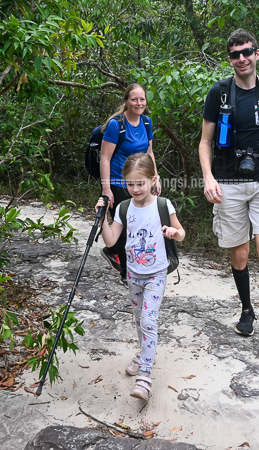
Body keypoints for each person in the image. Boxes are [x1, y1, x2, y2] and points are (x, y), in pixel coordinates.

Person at [198, 28, 259, 355]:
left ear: (257, 54)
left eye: (246, 52)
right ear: (230, 59)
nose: (241, 58)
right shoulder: (219, 93)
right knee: (239, 253)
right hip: (227, 179)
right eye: (234, 54)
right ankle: (246, 309)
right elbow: (204, 142)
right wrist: (208, 177)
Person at [95, 153, 185, 400]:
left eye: (140, 183)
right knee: (138, 319)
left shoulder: (163, 205)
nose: (135, 189)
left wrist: (172, 232)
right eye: (130, 183)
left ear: (152, 180)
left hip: (156, 272)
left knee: (148, 318)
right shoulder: (124, 208)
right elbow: (112, 240)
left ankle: (145, 376)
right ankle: (143, 351)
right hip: (133, 274)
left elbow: (182, 233)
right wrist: (103, 218)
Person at [99, 84, 161, 284]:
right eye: (134, 99)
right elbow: (105, 158)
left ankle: (113, 251)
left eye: (142, 99)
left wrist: (155, 177)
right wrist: (107, 189)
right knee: (125, 228)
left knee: (141, 225)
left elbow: (149, 152)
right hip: (119, 182)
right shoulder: (116, 125)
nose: (139, 103)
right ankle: (126, 273)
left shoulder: (146, 123)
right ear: (126, 101)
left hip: (141, 182)